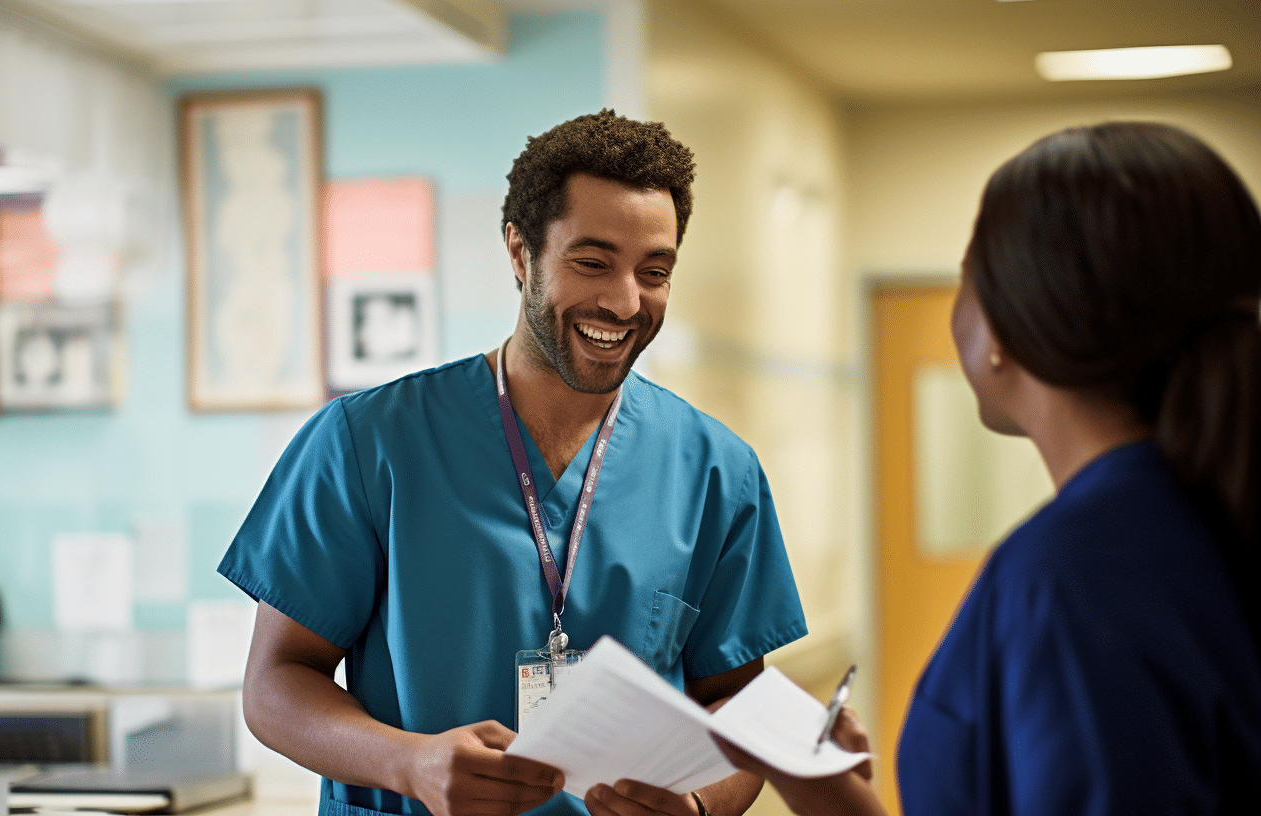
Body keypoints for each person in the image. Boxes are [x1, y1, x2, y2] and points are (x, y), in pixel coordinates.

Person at [218, 109, 808, 816]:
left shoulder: (717, 472)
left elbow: (740, 703)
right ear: (520, 252)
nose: (625, 302)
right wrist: (409, 764)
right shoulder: (369, 443)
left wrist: (701, 808)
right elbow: (276, 681)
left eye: (654, 271)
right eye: (592, 262)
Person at [715, 121, 1261, 814]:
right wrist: (826, 794)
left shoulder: (1069, 579)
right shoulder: (1200, 521)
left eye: (968, 279)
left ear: (1004, 330)